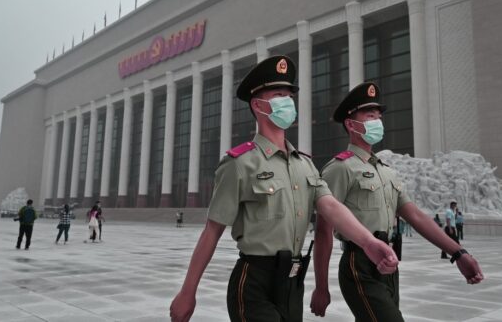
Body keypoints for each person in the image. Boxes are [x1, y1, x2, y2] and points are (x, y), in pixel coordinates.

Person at [170, 56, 399, 322]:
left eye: (289, 96)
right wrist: (188, 291)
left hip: (292, 286)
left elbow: (331, 207)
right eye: (279, 95)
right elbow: (212, 230)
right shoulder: (240, 163)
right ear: (258, 105)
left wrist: (368, 242)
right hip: (254, 284)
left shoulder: (305, 165)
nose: (288, 102)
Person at [311, 82, 484, 321]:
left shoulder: (387, 172)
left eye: (378, 117)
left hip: (389, 263)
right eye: (370, 116)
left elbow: (415, 215)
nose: (377, 122)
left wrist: (458, 253)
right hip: (359, 264)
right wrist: (321, 287)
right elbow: (323, 231)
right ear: (351, 124)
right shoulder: (340, 169)